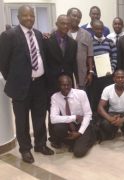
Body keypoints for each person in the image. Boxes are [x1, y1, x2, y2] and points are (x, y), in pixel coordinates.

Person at [0, 5, 54, 164]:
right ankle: (25, 149)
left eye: (32, 16)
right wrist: (14, 79)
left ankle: (40, 144)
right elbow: (3, 63)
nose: (29, 18)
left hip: (39, 85)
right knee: (22, 120)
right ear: (18, 17)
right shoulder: (9, 35)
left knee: (39, 117)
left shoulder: (37, 34)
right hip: (20, 86)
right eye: (25, 16)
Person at [44, 15, 78, 145]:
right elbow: (45, 61)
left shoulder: (73, 43)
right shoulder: (47, 40)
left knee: (67, 107)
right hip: (51, 83)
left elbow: (73, 64)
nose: (65, 26)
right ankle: (54, 138)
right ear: (56, 24)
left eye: (68, 24)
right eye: (62, 23)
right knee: (52, 110)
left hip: (68, 83)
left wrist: (76, 83)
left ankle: (67, 134)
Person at [50, 74, 96, 157]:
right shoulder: (55, 97)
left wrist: (79, 132)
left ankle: (87, 138)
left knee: (78, 153)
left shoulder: (81, 94)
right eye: (63, 85)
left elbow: (88, 114)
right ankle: (75, 140)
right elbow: (53, 118)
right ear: (59, 85)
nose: (66, 87)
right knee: (58, 127)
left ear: (72, 85)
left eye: (68, 85)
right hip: (70, 124)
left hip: (83, 124)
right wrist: (73, 117)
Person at [97, 69, 124, 140]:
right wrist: (110, 118)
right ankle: (113, 131)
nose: (120, 79)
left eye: (122, 77)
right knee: (105, 124)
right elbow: (100, 107)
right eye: (118, 77)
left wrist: (121, 120)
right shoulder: (107, 89)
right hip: (113, 114)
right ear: (114, 79)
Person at [89, 19, 117, 113]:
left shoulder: (109, 42)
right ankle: (97, 122)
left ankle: (108, 120)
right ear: (93, 29)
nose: (99, 31)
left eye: (101, 29)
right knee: (96, 99)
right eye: (97, 29)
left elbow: (114, 57)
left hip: (108, 76)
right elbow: (88, 59)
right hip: (96, 78)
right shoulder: (90, 43)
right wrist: (92, 69)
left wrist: (112, 68)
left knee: (108, 99)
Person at [67, 8, 94, 90]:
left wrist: (90, 72)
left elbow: (90, 55)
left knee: (81, 98)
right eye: (74, 16)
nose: (76, 18)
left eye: (79, 17)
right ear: (68, 16)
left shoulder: (87, 35)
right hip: (66, 74)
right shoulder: (61, 32)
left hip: (82, 74)